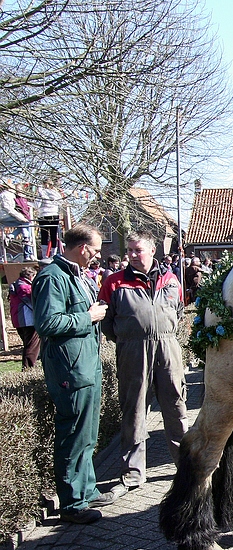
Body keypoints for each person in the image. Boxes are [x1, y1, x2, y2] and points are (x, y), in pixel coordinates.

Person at [31, 223, 113, 524]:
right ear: (82, 248)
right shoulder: (52, 278)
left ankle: (87, 489)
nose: (96, 256)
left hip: (84, 365)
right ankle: (72, 503)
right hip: (70, 369)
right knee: (73, 433)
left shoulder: (73, 275)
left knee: (88, 432)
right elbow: (47, 324)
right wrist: (87, 316)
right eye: (95, 250)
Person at [98, 231, 188, 499]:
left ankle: (185, 467)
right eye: (130, 250)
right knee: (134, 409)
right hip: (133, 351)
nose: (133, 255)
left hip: (168, 347)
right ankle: (133, 473)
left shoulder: (171, 280)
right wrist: (130, 340)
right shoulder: (114, 283)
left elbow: (179, 312)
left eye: (138, 250)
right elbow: (107, 322)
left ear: (152, 251)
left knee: (176, 406)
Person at [8, 267, 41, 369]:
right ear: (30, 276)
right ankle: (28, 368)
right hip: (28, 320)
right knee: (31, 346)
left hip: (19, 320)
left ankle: (30, 367)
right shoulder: (25, 287)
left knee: (29, 345)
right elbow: (33, 302)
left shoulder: (16, 285)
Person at [34, 178, 63, 259]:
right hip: (49, 215)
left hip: (47, 215)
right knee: (50, 235)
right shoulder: (55, 193)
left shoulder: (43, 192)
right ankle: (49, 255)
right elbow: (60, 203)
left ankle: (48, 255)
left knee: (48, 235)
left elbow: (37, 205)